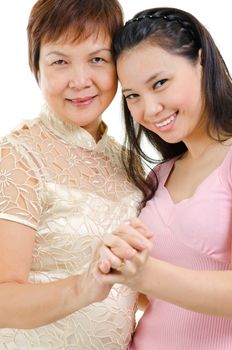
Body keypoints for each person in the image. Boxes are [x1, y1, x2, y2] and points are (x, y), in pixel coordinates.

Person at [0, 0, 146, 348]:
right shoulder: (18, 157)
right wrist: (84, 287)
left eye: (97, 58)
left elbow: (130, 293)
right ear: (36, 67)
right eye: (60, 61)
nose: (80, 81)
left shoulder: (128, 162)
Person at [97, 6, 232, 350]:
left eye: (160, 83)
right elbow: (156, 299)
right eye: (133, 96)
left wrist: (146, 274)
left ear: (200, 62)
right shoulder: (159, 176)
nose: (150, 108)